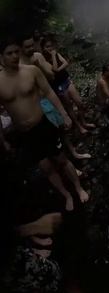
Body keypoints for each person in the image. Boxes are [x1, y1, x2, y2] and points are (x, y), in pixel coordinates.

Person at [0, 37, 89, 211]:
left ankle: (79, 189)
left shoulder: (31, 71)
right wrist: (3, 139)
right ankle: (66, 195)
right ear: (1, 57)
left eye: (16, 52)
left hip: (43, 124)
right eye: (9, 53)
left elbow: (49, 92)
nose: (14, 56)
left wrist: (64, 115)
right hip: (25, 132)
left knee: (61, 159)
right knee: (46, 166)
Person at [40, 35, 95, 133]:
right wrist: (53, 57)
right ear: (43, 48)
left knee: (79, 102)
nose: (50, 48)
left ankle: (84, 122)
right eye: (47, 46)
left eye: (51, 46)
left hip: (66, 80)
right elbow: (54, 69)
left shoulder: (57, 54)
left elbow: (65, 63)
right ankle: (79, 127)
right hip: (59, 85)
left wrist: (59, 68)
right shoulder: (44, 60)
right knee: (69, 106)